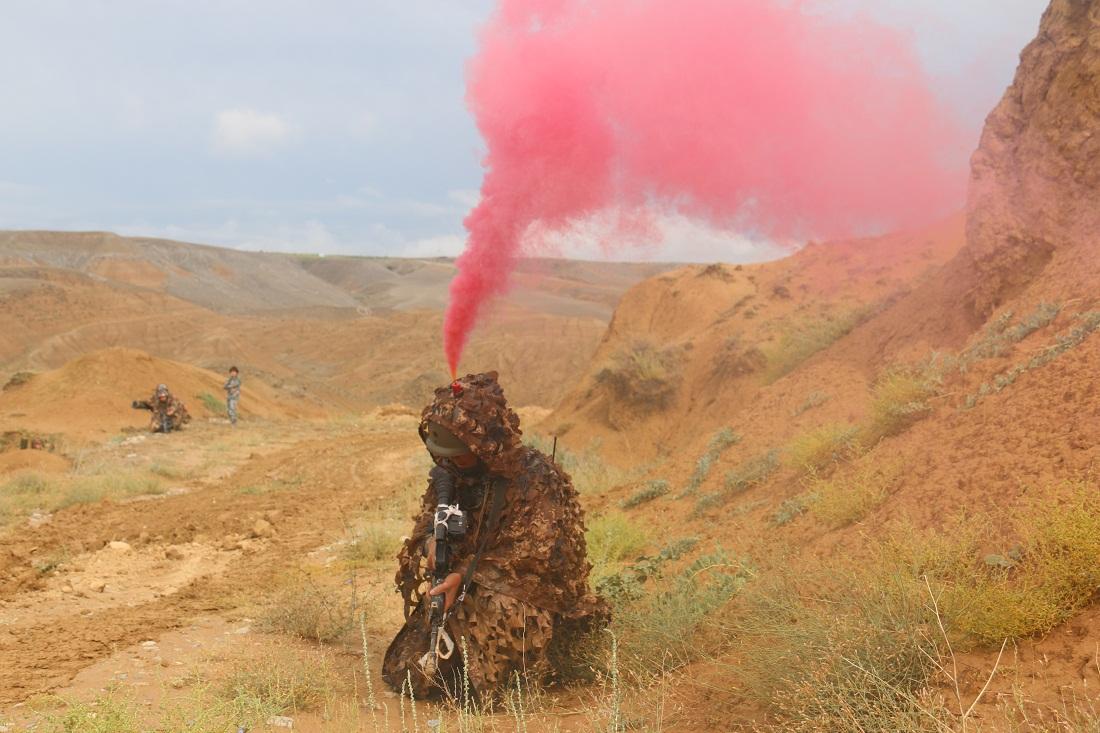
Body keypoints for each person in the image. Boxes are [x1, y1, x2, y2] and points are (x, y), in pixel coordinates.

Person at [382, 371, 607, 701]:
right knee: (414, 670)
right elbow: (429, 521)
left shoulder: (535, 476)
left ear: (485, 444)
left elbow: (535, 555)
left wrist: (463, 575)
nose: (451, 461)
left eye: (460, 453)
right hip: (462, 591)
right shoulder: (451, 474)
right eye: (444, 454)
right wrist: (431, 544)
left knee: (499, 618)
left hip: (527, 597)